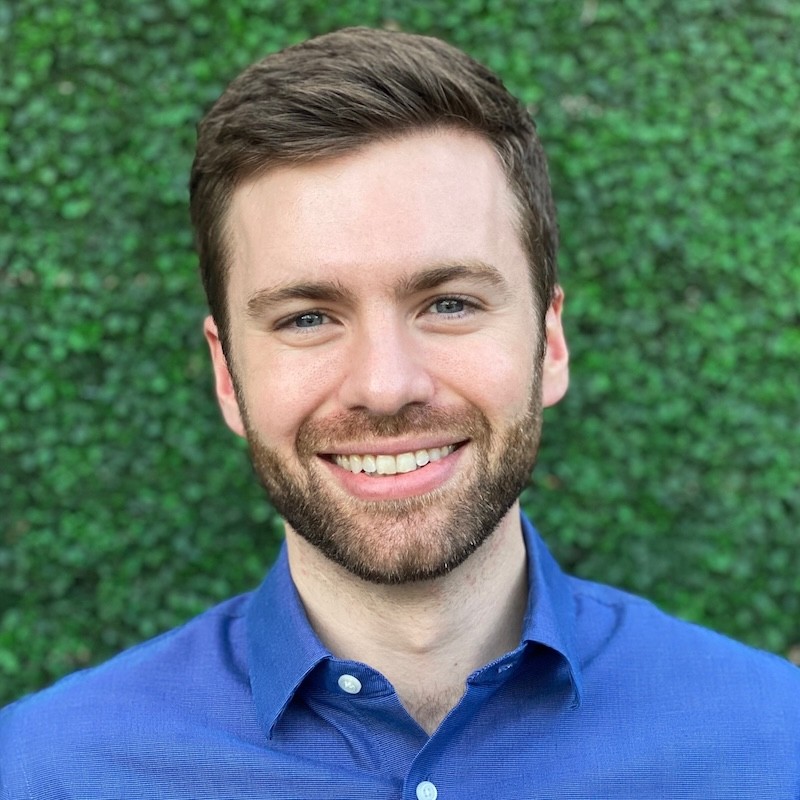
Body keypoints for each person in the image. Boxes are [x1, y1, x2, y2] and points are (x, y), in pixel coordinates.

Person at [1, 26, 798, 800]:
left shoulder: (772, 745)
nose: (385, 387)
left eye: (449, 303)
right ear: (227, 375)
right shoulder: (47, 774)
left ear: (550, 342)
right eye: (307, 318)